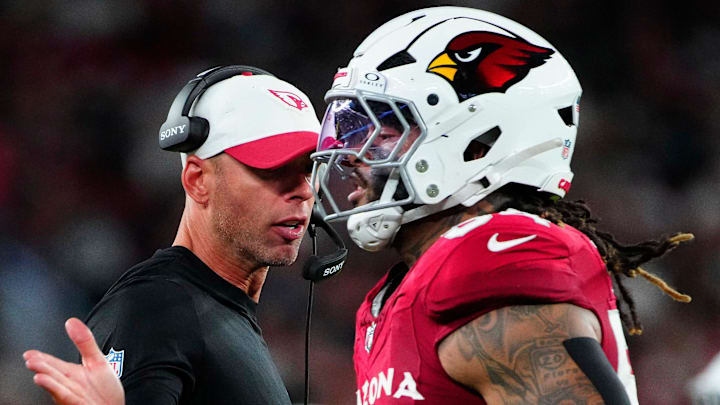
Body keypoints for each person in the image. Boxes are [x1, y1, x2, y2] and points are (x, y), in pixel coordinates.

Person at [310, 6, 693, 404]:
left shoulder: (490, 254)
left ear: (478, 143)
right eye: (349, 128)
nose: (351, 153)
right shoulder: (394, 296)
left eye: (384, 125)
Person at [24, 65, 321, 404]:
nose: (302, 190)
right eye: (274, 170)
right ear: (198, 180)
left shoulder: (213, 315)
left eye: (309, 168)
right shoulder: (155, 310)